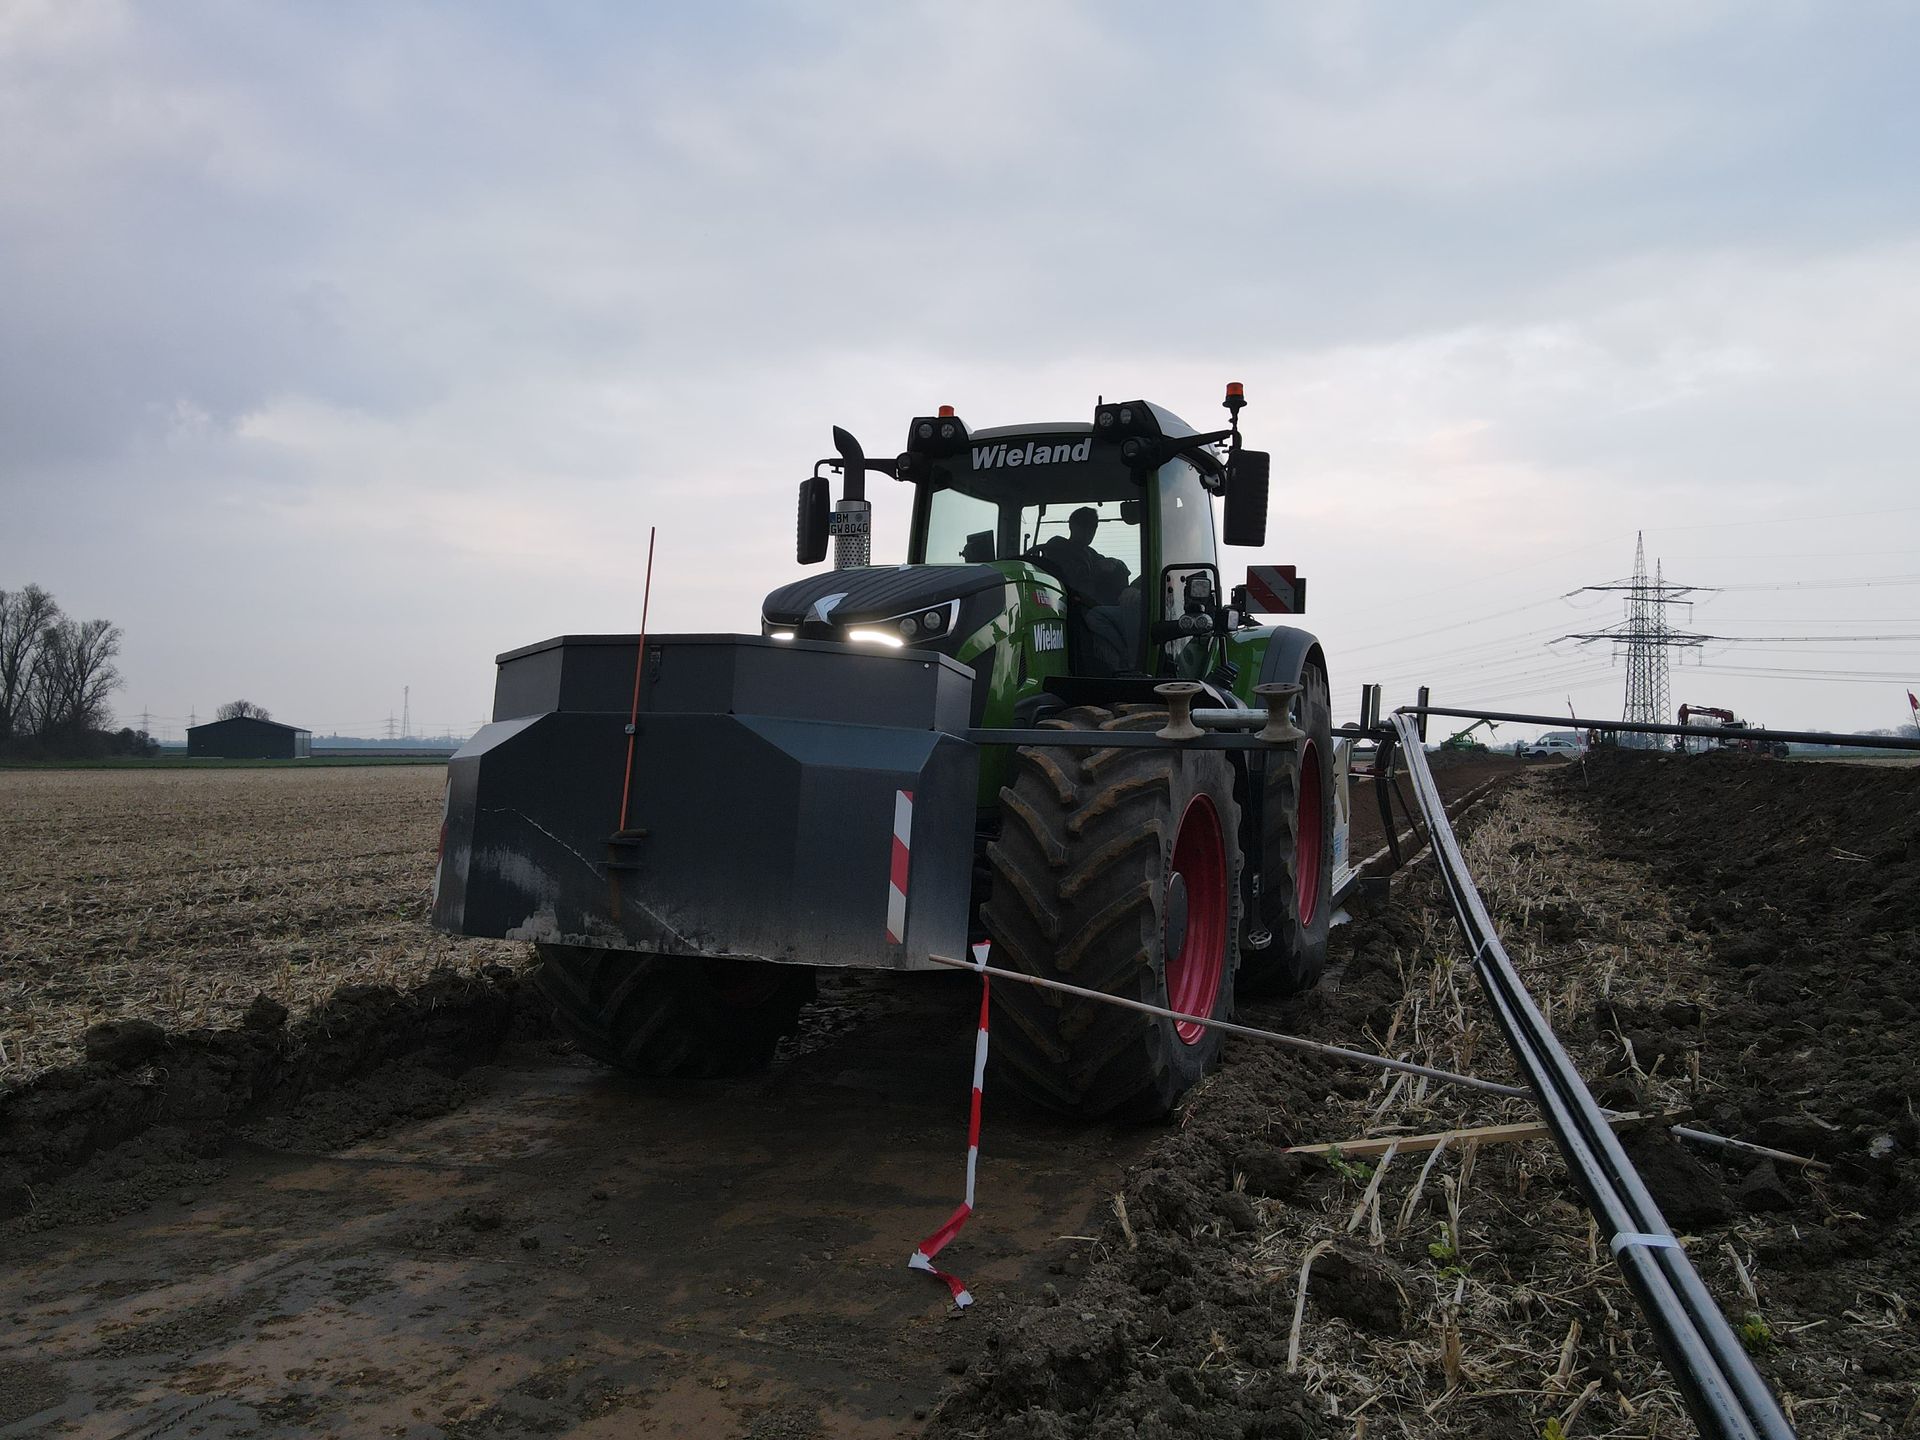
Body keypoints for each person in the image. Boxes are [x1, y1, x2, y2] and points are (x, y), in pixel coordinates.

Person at [1036, 507, 1130, 605]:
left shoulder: (1090, 553)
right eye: (1084, 525)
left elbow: (1105, 563)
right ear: (1072, 526)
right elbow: (1071, 580)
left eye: (1093, 527)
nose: (1088, 531)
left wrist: (1114, 563)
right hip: (1069, 602)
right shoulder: (1057, 547)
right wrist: (1098, 569)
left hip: (1091, 603)